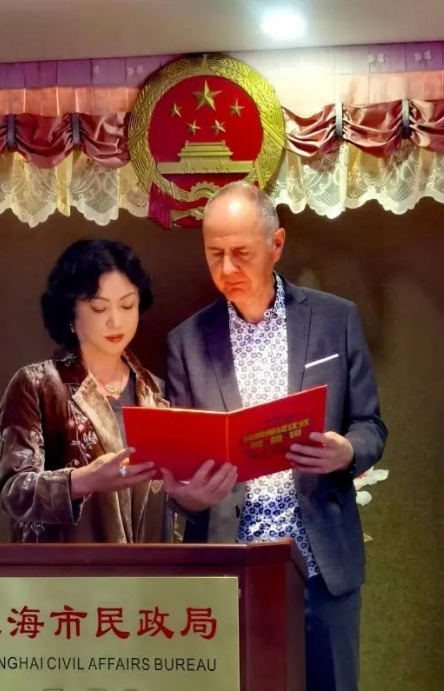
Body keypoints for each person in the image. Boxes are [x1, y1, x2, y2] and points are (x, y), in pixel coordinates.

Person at [163, 182, 388, 691]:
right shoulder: (187, 341)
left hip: (321, 563)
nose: (226, 269)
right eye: (214, 253)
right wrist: (187, 496)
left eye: (241, 253)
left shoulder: (334, 319)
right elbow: (180, 467)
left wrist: (346, 451)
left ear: (277, 244)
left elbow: (371, 426)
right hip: (230, 565)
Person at [0, 238, 234, 544]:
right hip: (67, 570)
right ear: (70, 310)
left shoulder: (158, 393)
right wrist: (84, 480)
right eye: (99, 307)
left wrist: (191, 501)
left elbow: (170, 501)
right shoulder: (37, 385)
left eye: (127, 305)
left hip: (149, 570)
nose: (115, 320)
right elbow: (13, 491)